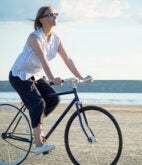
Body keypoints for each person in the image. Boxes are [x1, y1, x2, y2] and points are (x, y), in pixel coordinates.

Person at [9, 6, 92, 155]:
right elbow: (43, 59)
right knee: (38, 103)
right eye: (51, 15)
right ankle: (39, 144)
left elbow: (67, 59)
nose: (55, 17)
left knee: (53, 100)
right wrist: (53, 78)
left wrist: (81, 77)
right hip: (20, 75)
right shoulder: (34, 37)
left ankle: (35, 125)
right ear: (42, 19)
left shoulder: (56, 39)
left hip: (36, 75)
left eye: (56, 14)